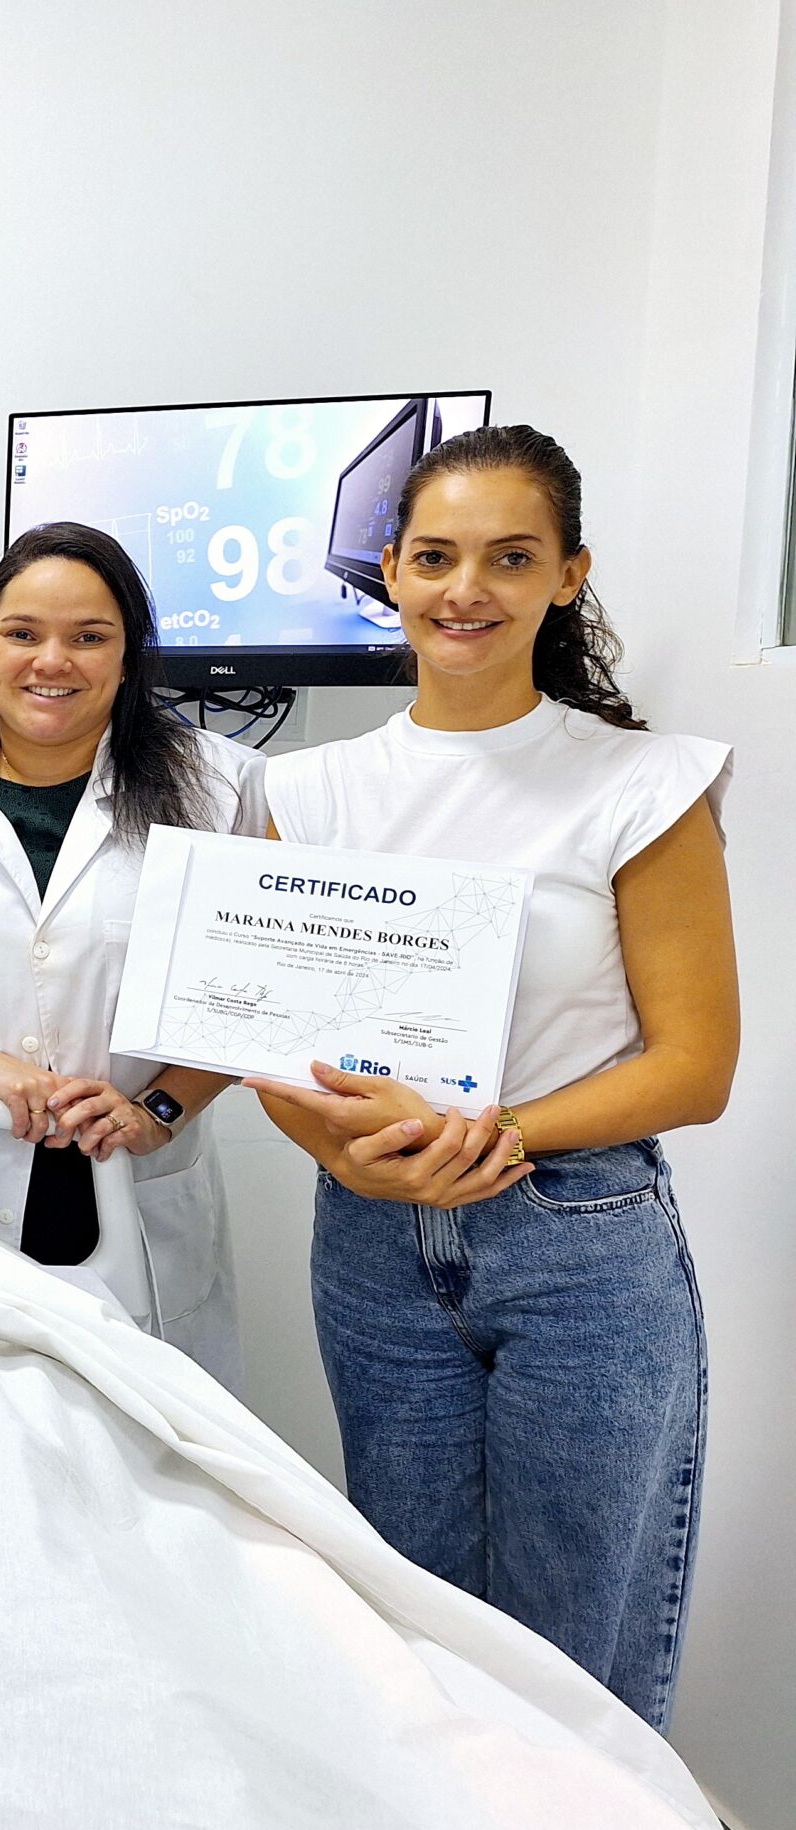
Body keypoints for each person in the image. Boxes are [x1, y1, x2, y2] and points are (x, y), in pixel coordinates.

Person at [254, 424, 736, 1730]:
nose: (468, 589)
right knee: (419, 1655)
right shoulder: (303, 793)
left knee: (576, 1676)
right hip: (372, 1248)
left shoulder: (644, 783)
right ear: (391, 575)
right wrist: (342, 1151)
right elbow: (270, 1040)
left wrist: (494, 1132)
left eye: (510, 557)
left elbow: (696, 1068)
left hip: (582, 1247)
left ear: (567, 574)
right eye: (437, 557)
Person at [0, 521, 264, 1382]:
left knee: (133, 1455)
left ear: (128, 658)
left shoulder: (219, 784)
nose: (53, 661)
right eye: (23, 633)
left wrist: (157, 1110)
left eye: (89, 637)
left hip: (128, 1178)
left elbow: (247, 989)